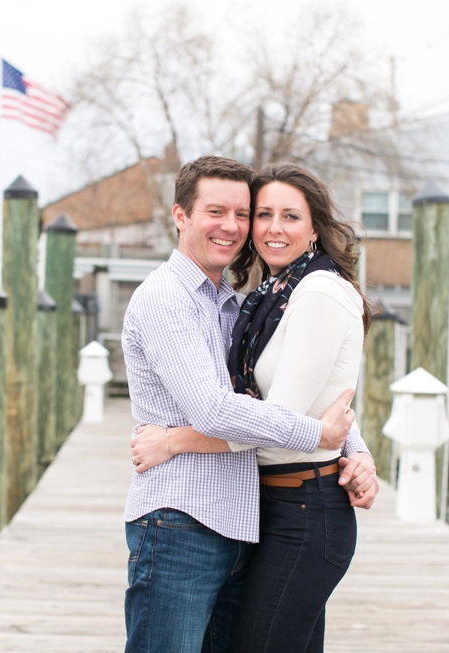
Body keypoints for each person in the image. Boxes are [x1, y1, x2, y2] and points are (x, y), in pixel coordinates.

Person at [121, 155, 377, 653]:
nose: (233, 226)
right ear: (180, 215)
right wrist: (318, 435)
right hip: (181, 522)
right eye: (218, 211)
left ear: (314, 230)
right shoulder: (166, 299)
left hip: (243, 521)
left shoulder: (241, 305)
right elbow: (217, 410)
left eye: (244, 213)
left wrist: (353, 446)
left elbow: (303, 394)